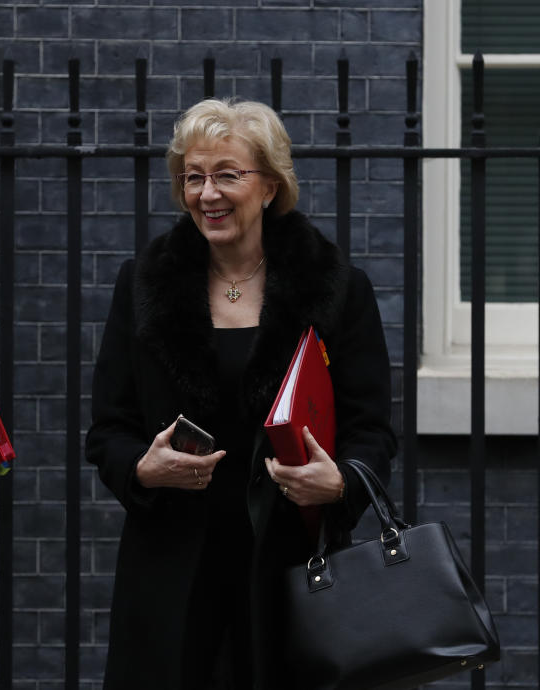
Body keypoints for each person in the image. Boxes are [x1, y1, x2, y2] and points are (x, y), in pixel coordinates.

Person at [84, 98, 397, 690]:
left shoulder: (337, 291)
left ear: (271, 187)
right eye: (193, 177)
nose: (207, 194)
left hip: (292, 571)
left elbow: (372, 429)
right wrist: (142, 469)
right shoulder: (142, 286)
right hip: (171, 578)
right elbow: (108, 430)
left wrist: (343, 482)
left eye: (228, 175)